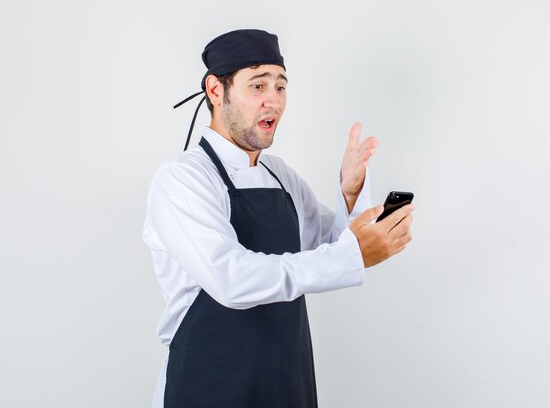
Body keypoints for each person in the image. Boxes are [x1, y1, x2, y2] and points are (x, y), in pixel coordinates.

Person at [143, 29, 414, 408]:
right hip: (208, 385)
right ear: (216, 91)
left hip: (286, 381)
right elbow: (230, 279)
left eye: (281, 86)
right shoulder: (183, 179)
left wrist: (350, 192)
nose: (274, 100)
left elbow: (328, 246)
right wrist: (352, 255)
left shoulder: (279, 174)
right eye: (257, 86)